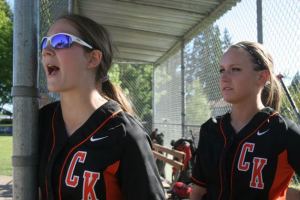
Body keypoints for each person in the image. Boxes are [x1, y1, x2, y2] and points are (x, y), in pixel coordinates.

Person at [38, 14, 165, 200]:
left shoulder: (125, 134)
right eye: (44, 43)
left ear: (93, 58)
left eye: (60, 41)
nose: (46, 50)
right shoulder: (43, 120)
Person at [190, 41, 300, 200]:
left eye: (235, 69)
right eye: (222, 70)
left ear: (261, 77)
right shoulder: (211, 129)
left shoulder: (282, 132)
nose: (224, 78)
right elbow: (197, 192)